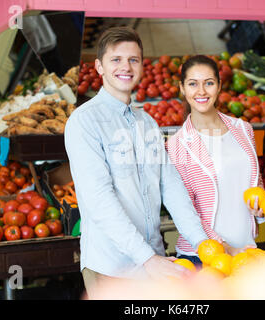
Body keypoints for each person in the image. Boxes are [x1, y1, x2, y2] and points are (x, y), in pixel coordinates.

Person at [64, 27, 209, 298]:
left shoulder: (148, 123)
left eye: (133, 60)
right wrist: (147, 258)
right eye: (116, 60)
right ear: (99, 67)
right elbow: (99, 200)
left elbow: (171, 187)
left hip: (153, 263)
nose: (125, 67)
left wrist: (202, 241)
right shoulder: (84, 122)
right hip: (111, 267)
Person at [166, 55, 265, 265]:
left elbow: (254, 182)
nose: (201, 91)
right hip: (204, 256)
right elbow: (186, 210)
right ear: (182, 88)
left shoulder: (243, 129)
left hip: (247, 250)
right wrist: (226, 249)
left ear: (219, 86)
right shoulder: (177, 145)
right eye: (193, 84)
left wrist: (261, 209)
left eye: (209, 83)